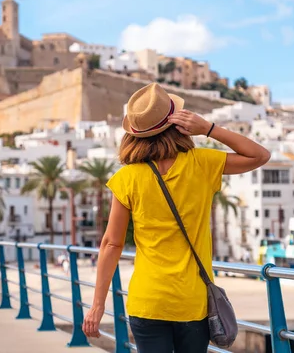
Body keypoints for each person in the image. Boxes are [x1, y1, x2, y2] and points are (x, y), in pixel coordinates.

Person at [82, 83, 270, 352]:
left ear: (134, 134)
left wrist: (97, 306)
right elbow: (260, 155)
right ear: (178, 122)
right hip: (191, 303)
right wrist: (208, 128)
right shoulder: (202, 163)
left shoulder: (126, 178)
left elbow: (112, 244)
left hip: (147, 302)